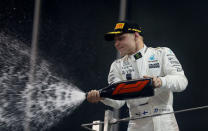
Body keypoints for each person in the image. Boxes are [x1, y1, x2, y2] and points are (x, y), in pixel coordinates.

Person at [87, 21, 188, 131]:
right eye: (115, 40)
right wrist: (102, 97)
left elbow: (182, 81)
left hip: (165, 124)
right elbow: (118, 102)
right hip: (136, 125)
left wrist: (160, 81)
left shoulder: (162, 53)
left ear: (136, 35)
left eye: (121, 38)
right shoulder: (117, 66)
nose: (116, 44)